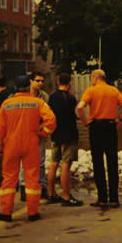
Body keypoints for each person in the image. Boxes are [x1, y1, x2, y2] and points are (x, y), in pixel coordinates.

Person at [0, 75, 56, 222]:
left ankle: (6, 212)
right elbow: (51, 120)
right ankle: (33, 212)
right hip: (31, 143)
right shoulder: (38, 102)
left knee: (9, 178)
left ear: (15, 88)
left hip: (11, 145)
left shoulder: (6, 104)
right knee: (32, 177)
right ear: (29, 87)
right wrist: (43, 133)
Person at [76, 69, 122, 207]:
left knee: (98, 163)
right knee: (112, 162)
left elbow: (79, 107)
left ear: (95, 78)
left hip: (96, 127)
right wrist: (121, 119)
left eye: (91, 78)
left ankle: (102, 198)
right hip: (111, 127)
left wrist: (84, 122)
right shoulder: (113, 90)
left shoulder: (91, 91)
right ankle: (114, 199)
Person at [46, 73, 83, 206]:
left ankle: (51, 194)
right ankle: (66, 196)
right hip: (68, 135)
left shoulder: (52, 97)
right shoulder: (70, 98)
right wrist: (71, 93)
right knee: (66, 165)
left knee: (54, 163)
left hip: (55, 134)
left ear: (57, 82)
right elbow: (74, 114)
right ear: (69, 83)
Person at [18, 71, 49, 202]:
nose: (40, 83)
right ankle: (23, 186)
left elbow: (48, 114)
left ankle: (42, 187)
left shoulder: (44, 97)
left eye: (42, 81)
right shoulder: (23, 96)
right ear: (31, 81)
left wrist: (43, 126)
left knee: (40, 161)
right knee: (24, 161)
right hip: (24, 133)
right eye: (37, 80)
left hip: (39, 133)